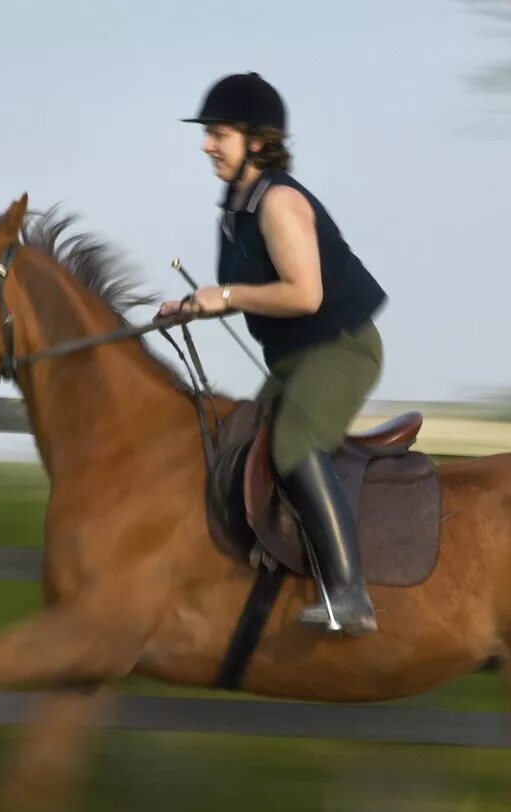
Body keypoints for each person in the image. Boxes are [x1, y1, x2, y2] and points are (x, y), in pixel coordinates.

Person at [158, 72, 388, 636]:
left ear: (257, 141)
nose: (207, 144)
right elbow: (257, 290)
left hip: (340, 351)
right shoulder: (236, 208)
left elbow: (305, 294)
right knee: (237, 444)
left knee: (291, 444)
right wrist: (196, 307)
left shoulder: (279, 201)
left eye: (220, 133)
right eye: (209, 133)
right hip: (293, 361)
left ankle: (349, 596)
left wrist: (224, 297)